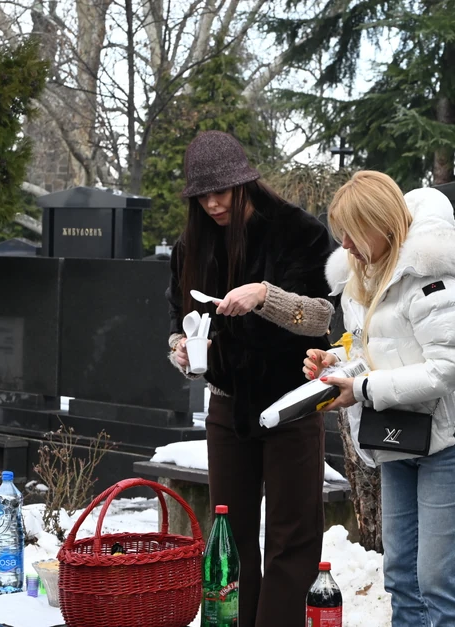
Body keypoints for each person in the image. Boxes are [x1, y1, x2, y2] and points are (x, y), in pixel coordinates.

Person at [302, 171, 455, 627]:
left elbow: (447, 369)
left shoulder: (432, 281)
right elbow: (372, 347)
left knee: (436, 581)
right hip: (400, 435)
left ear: (383, 224)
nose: (346, 245)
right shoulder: (364, 279)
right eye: (341, 235)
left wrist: (363, 389)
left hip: (451, 440)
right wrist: (333, 362)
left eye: (353, 233)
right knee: (399, 574)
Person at [165, 130, 335, 627]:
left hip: (292, 399)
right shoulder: (192, 244)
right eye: (203, 193)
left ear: (245, 182)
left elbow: (323, 316)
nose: (213, 203)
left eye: (222, 191)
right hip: (227, 403)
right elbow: (177, 317)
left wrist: (266, 294)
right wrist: (180, 346)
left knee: (292, 532)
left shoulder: (297, 230)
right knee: (230, 529)